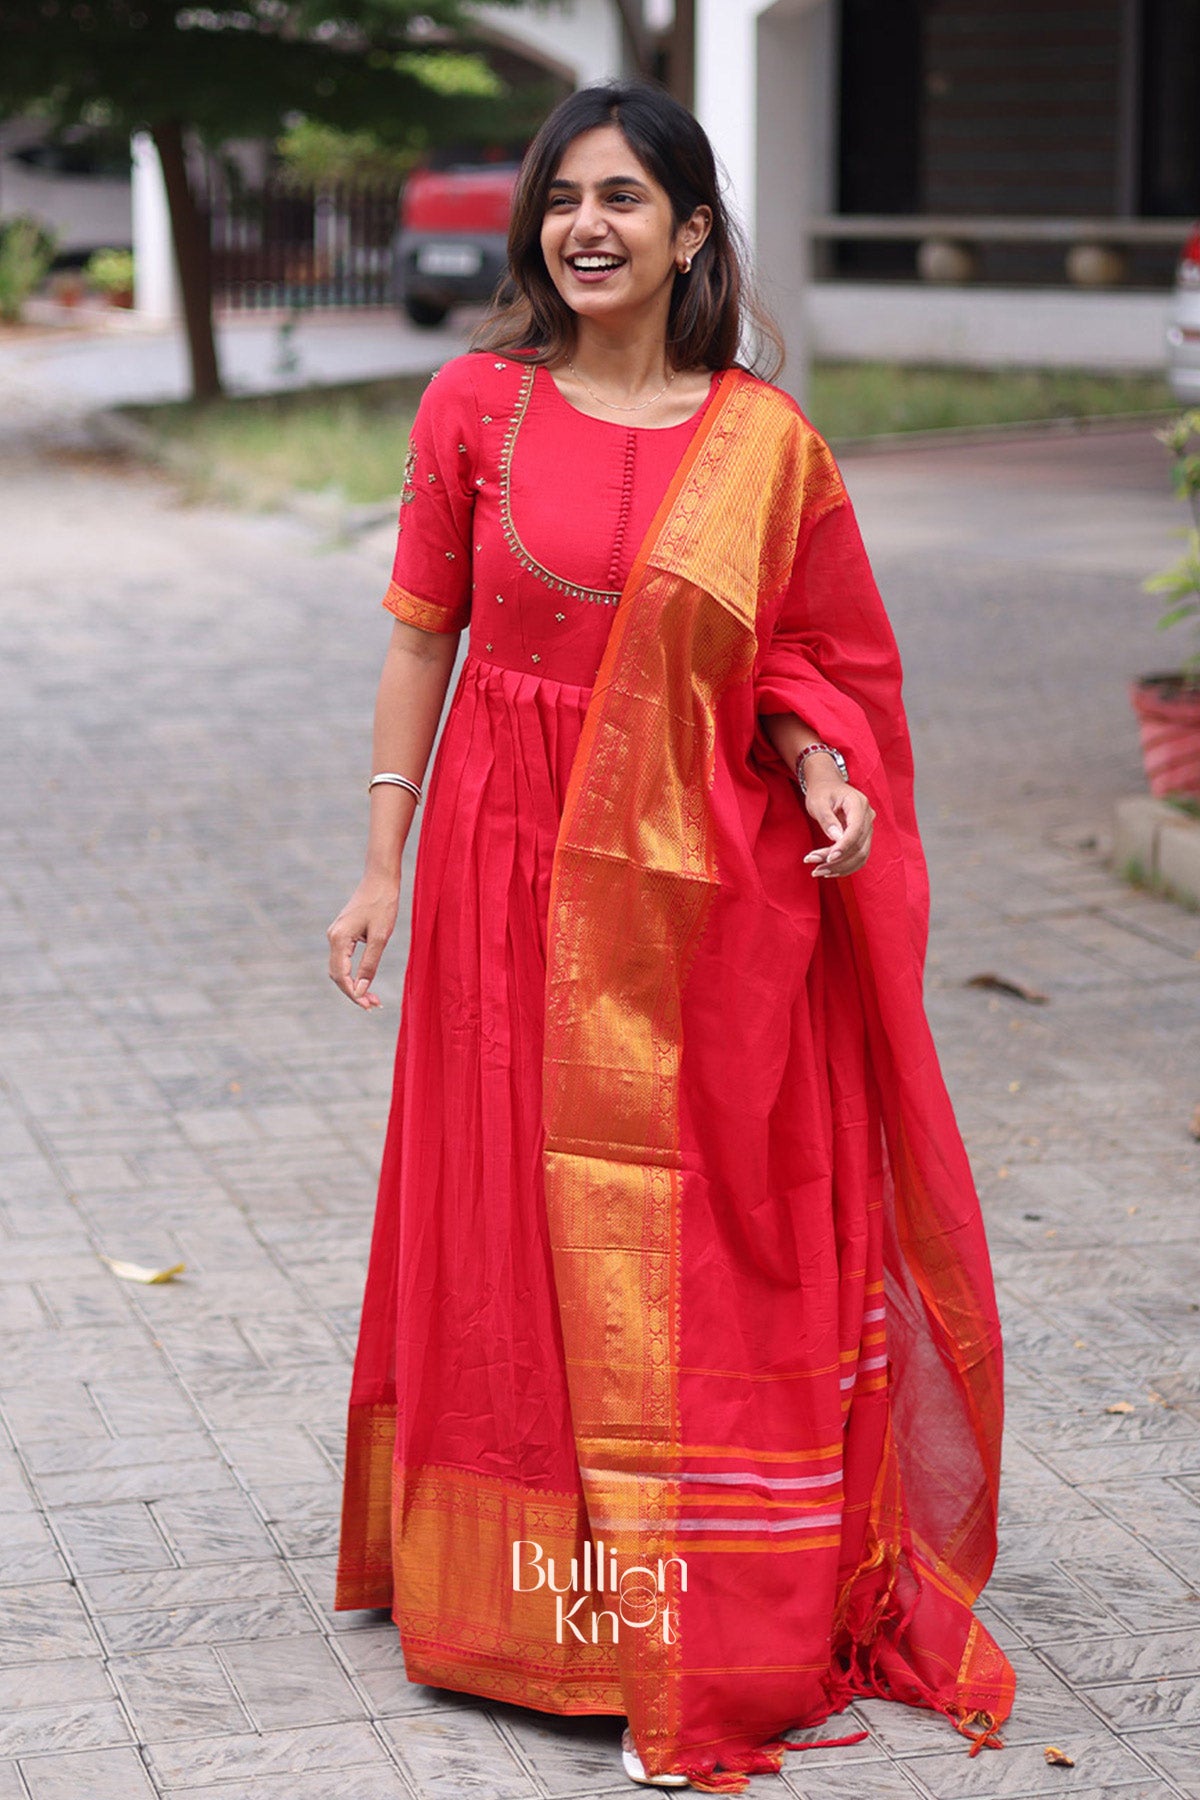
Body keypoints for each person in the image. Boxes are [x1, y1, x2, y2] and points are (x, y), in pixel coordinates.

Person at [328, 80, 1013, 1795]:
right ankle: (524, 1596)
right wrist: (380, 864)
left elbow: (804, 661)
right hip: (502, 855)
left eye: (627, 197)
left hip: (692, 881)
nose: (590, 227)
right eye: (565, 198)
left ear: (692, 230)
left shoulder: (765, 445)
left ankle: (678, 1575)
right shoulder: (472, 407)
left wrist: (826, 772)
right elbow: (424, 639)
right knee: (504, 1197)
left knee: (683, 1216)